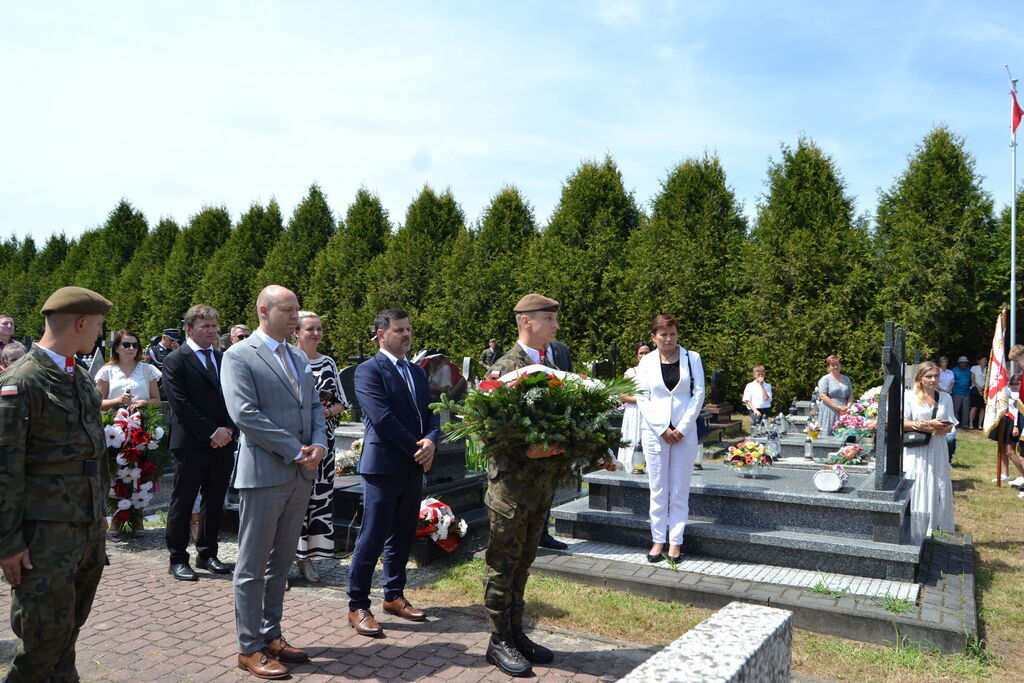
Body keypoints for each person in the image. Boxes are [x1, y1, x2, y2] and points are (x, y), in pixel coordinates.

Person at [0, 286, 112, 681]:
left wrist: (100, 514)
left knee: (66, 636)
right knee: (41, 642)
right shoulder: (23, 381)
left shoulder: (78, 377)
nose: (99, 334)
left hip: (84, 530)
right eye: (97, 326)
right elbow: (4, 468)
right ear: (80, 323)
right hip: (43, 537)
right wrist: (8, 542)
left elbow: (94, 455)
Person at [482, 293, 592, 676]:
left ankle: (516, 632)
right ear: (526, 321)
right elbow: (489, 431)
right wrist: (529, 449)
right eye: (549, 318)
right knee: (503, 564)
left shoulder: (552, 365)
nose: (556, 325)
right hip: (511, 489)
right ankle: (499, 641)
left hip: (540, 488)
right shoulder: (505, 369)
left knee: (525, 563)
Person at [221, 285, 328, 679]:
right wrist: (296, 450)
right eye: (288, 310)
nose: (296, 317)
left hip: (300, 473)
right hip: (265, 474)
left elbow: (314, 406)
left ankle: (271, 634)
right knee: (251, 565)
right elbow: (245, 414)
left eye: (297, 310)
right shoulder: (239, 355)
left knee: (281, 561)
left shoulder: (298, 355)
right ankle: (248, 647)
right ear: (264, 311)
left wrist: (318, 443)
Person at [347, 308, 440, 637]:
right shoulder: (367, 371)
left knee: (402, 534)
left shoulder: (415, 371)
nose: (406, 335)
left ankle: (394, 595)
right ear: (380, 333)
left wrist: (431, 439)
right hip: (384, 466)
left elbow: (432, 410)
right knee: (372, 537)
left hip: (413, 464)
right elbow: (382, 418)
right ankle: (357, 603)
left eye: (408, 329)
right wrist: (419, 449)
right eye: (399, 330)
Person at [161, 304, 237, 582]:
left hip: (223, 442)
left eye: (215, 326)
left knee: (215, 499)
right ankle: (177, 558)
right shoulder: (175, 360)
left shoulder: (223, 358)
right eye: (206, 326)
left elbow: (232, 396)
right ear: (189, 329)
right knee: (184, 500)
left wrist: (228, 429)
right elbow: (180, 404)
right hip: (190, 443)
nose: (212, 331)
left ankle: (207, 553)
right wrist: (211, 431)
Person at [634, 314, 705, 566]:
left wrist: (682, 428)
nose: (668, 339)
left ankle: (676, 542)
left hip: (684, 434)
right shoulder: (647, 362)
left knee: (679, 490)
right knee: (658, 490)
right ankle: (657, 540)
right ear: (654, 337)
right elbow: (642, 397)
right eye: (663, 334)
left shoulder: (692, 357)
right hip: (655, 433)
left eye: (673, 334)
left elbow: (698, 394)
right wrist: (663, 428)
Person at [294, 310, 347, 583]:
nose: (315, 334)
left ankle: (309, 559)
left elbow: (342, 403)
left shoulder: (328, 363)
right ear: (296, 333)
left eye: (319, 329)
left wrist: (322, 412)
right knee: (292, 501)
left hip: (322, 443)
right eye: (309, 329)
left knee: (317, 501)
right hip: (293, 442)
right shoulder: (287, 360)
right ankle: (285, 558)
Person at [902, 361, 955, 542]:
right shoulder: (909, 396)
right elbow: (900, 422)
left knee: (935, 481)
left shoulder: (945, 398)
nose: (933, 380)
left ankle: (933, 525)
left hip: (937, 445)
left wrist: (933, 427)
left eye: (936, 376)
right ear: (920, 378)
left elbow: (949, 428)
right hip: (916, 448)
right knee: (917, 481)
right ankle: (915, 526)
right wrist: (918, 425)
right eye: (929, 376)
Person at [95, 329, 162, 412]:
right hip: (113, 422)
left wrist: (145, 402)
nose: (131, 348)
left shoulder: (149, 370)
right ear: (116, 348)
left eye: (135, 345)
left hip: (143, 421)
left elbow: (157, 401)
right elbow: (97, 404)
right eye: (126, 345)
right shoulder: (106, 371)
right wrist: (118, 400)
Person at [617, 342, 651, 471]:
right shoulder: (631, 372)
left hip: (650, 410)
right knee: (633, 437)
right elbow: (622, 394)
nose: (644, 355)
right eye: (641, 353)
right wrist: (640, 400)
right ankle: (630, 466)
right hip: (635, 411)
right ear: (637, 356)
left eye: (646, 352)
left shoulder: (656, 371)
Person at [816, 355, 852, 436]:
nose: (836, 367)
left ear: (840, 365)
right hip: (830, 411)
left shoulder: (846, 379)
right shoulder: (825, 379)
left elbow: (851, 394)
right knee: (828, 434)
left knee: (844, 435)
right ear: (828, 367)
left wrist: (848, 406)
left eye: (837, 364)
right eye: (833, 365)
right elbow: (823, 395)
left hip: (844, 411)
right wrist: (837, 407)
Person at [951, 356, 972, 428]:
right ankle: (956, 423)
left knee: (966, 410)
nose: (963, 364)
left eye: (965, 363)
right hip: (956, 392)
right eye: (962, 363)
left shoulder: (969, 370)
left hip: (966, 392)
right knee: (956, 409)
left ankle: (964, 424)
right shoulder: (954, 370)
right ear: (959, 363)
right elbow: (952, 381)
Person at [970, 355, 988, 430]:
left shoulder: (987, 369)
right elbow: (972, 379)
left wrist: (983, 387)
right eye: (983, 360)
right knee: (974, 407)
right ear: (979, 361)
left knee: (982, 408)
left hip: (984, 388)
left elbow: (988, 379)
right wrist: (978, 387)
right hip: (975, 388)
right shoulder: (974, 368)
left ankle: (980, 424)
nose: (984, 361)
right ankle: (970, 423)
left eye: (985, 360)